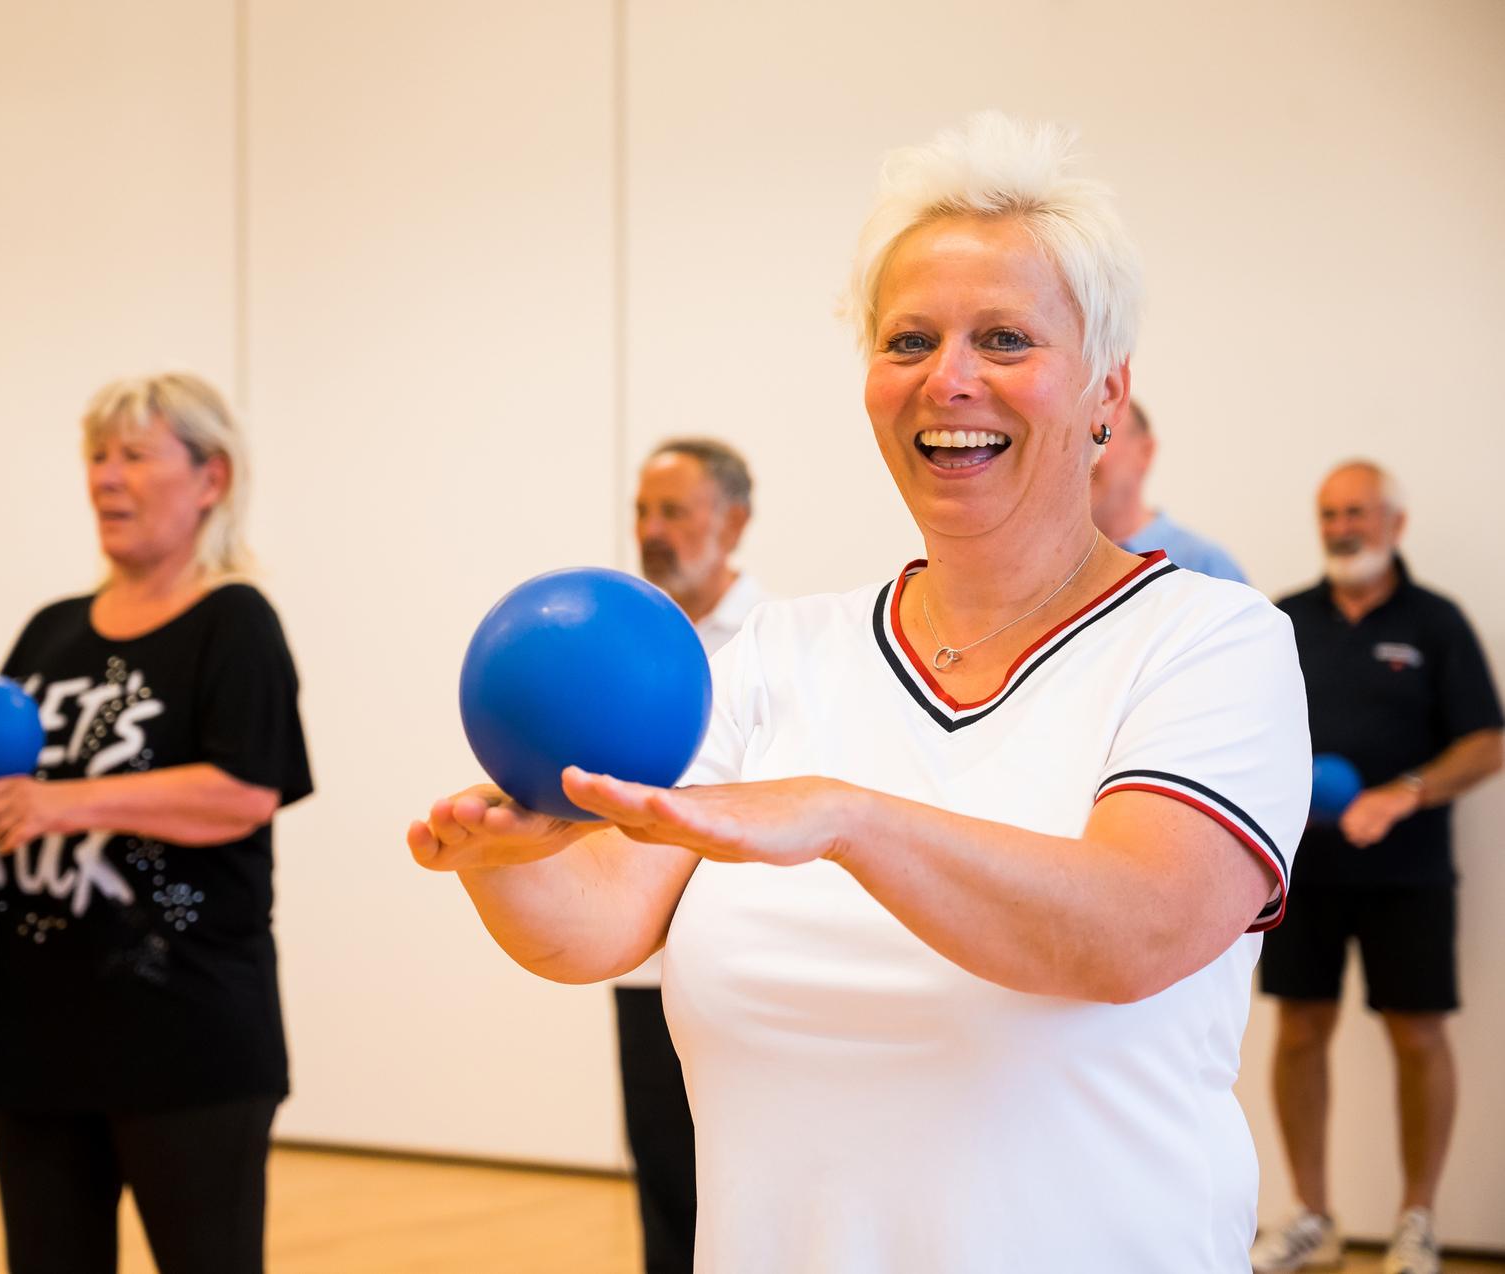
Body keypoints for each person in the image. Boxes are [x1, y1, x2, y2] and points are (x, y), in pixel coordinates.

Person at [409, 112, 1311, 1271]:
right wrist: (506, 862)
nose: (950, 378)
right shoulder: (778, 654)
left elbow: (1132, 928)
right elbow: (594, 928)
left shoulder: (1214, 642)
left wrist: (847, 818)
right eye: (908, 340)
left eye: (1004, 337)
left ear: (1105, 394)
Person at [0, 372, 313, 1274]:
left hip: (189, 1043)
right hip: (39, 1044)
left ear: (210, 478)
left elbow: (245, 792)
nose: (104, 477)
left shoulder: (235, 622)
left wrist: (55, 800)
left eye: (134, 455)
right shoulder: (49, 633)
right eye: (96, 456)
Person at [1250, 461, 1502, 1274]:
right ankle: (1312, 1217)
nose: (1340, 527)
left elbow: (1486, 740)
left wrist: (1403, 794)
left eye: (1355, 511)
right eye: (1327, 513)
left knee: (1418, 1036)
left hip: (1408, 876)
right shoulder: (1283, 620)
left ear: (1394, 522)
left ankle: (1416, 1223)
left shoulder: (1434, 623)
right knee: (1296, 1033)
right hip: (1300, 876)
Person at [618, 437, 767, 1274]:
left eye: (674, 511)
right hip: (641, 958)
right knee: (664, 1181)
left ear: (733, 521)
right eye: (642, 510)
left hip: (741, 958)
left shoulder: (776, 642)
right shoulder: (624, 634)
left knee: (740, 1187)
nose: (652, 529)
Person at [1090, 399, 1248, 583]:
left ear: (1145, 452)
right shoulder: (1059, 568)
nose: (1079, 455)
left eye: (1098, 436)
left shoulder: (1207, 567)